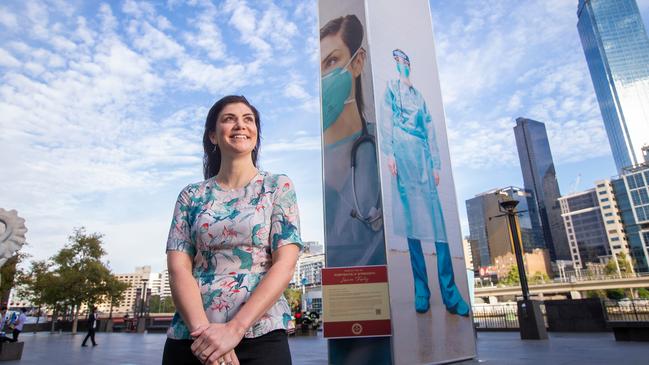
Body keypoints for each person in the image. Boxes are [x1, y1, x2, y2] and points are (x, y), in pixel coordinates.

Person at [162, 95, 302, 365]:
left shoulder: (277, 187)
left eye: (248, 119)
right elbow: (178, 268)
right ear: (213, 136)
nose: (240, 125)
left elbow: (285, 265)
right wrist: (206, 337)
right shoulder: (191, 195)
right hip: (192, 337)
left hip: (260, 333)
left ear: (256, 133)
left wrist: (234, 330)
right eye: (229, 119)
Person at [381, 49, 469, 316]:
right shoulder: (391, 89)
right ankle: (422, 290)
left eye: (405, 60)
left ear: (410, 64)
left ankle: (450, 293)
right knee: (411, 225)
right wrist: (390, 152)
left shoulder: (419, 97)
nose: (401, 64)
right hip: (403, 157)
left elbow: (429, 128)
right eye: (397, 60)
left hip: (422, 157)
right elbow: (386, 120)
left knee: (437, 227)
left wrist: (436, 163)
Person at [320, 14, 386, 267]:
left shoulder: (384, 146)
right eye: (318, 68)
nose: (323, 77)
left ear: (357, 62)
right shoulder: (310, 163)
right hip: (338, 290)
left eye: (332, 61)